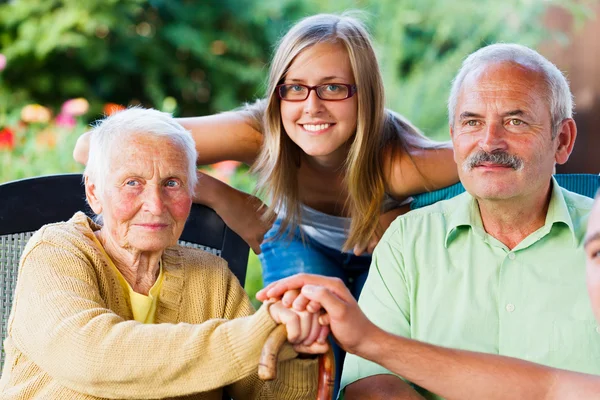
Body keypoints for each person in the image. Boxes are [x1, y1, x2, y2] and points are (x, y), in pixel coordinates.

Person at [73, 13, 459, 297]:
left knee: (368, 367)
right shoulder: (260, 131)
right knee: (308, 356)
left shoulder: (400, 162)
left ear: (367, 95)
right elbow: (91, 146)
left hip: (386, 256)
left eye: (334, 88)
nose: (312, 107)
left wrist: (410, 215)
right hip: (296, 242)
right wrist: (218, 193)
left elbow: (496, 163)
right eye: (294, 88)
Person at [0, 108, 329, 399]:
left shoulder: (214, 277)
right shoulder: (56, 252)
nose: (155, 205)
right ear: (94, 192)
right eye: (132, 183)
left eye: (172, 183)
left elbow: (266, 392)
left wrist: (295, 349)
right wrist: (257, 333)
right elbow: (89, 357)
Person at [255, 185, 600, 398]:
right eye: (472, 121)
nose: (490, 138)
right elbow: (548, 390)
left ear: (563, 139)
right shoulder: (409, 236)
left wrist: (367, 340)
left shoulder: (592, 221)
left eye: (516, 120)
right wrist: (367, 340)